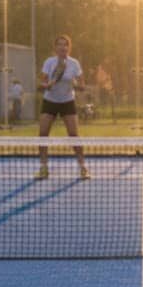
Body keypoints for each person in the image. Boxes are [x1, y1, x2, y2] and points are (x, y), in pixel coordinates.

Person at [36, 34, 89, 180]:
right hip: (50, 101)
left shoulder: (74, 64)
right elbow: (41, 85)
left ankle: (82, 167)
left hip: (67, 101)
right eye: (59, 44)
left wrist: (76, 85)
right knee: (43, 135)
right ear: (55, 48)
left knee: (73, 135)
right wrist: (49, 84)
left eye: (65, 44)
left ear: (69, 47)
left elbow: (82, 86)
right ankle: (43, 167)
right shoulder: (49, 62)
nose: (62, 47)